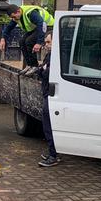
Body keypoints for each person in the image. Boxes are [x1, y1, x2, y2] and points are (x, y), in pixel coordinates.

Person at [37, 31, 60, 167]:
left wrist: (43, 70)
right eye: (45, 42)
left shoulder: (57, 57)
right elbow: (41, 71)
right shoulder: (49, 55)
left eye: (48, 42)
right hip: (47, 93)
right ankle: (54, 152)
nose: (46, 45)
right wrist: (43, 69)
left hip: (52, 95)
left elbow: (46, 73)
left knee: (49, 127)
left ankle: (53, 156)